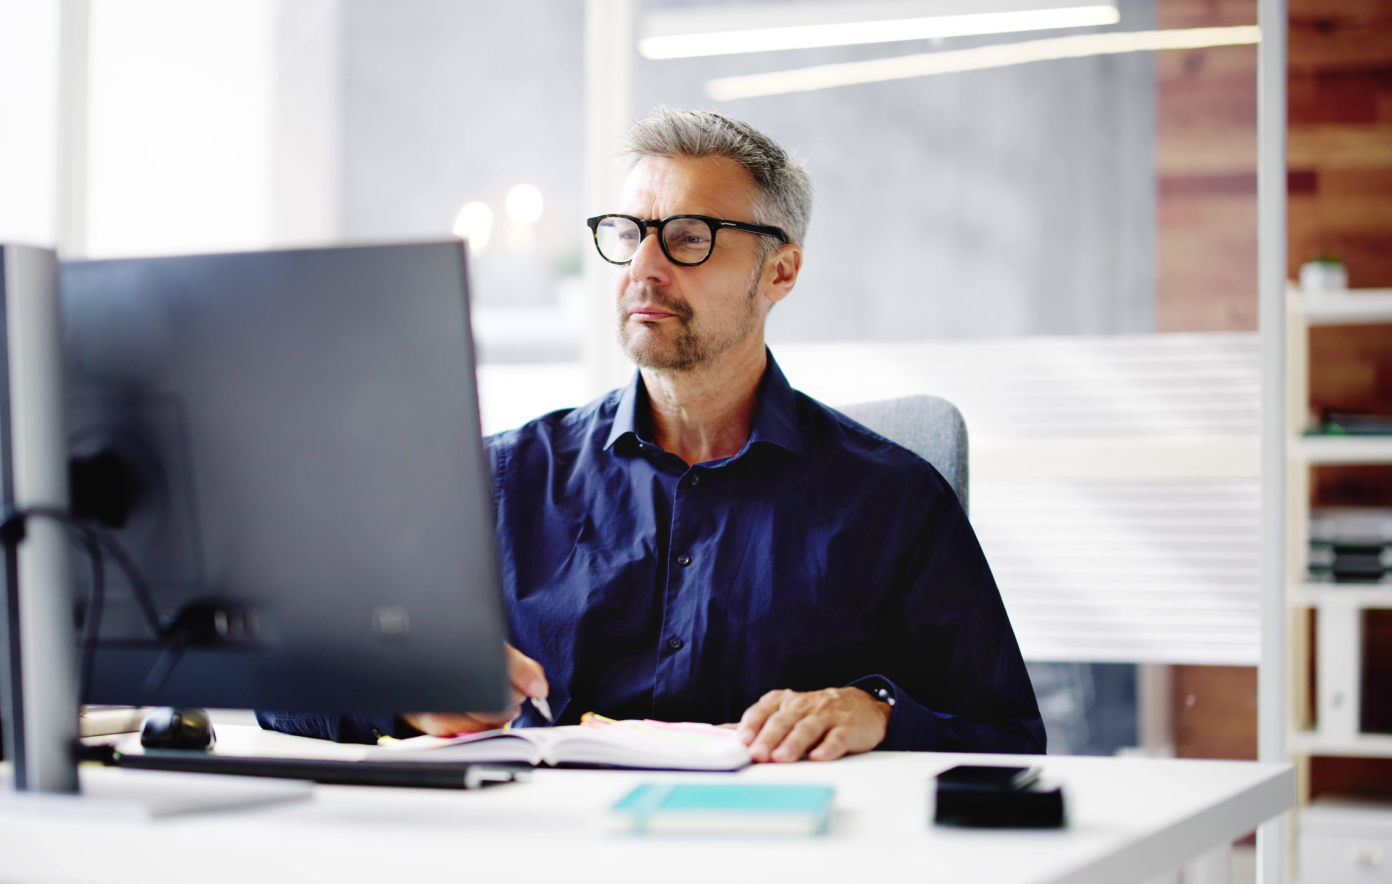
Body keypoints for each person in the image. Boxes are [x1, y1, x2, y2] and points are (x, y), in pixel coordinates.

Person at [260, 108, 1044, 761]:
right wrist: (409, 697)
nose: (646, 267)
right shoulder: (503, 481)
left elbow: (1009, 737)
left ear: (781, 272)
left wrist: (881, 714)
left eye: (690, 237)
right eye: (629, 232)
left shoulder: (893, 500)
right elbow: (291, 696)